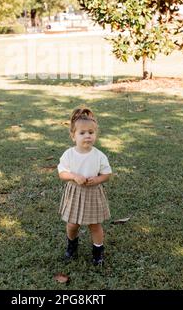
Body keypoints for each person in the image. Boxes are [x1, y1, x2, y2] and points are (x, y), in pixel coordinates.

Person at [57, 107, 113, 266]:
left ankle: (98, 252)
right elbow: (62, 173)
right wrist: (74, 176)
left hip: (93, 193)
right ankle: (72, 246)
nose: (87, 136)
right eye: (82, 133)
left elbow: (107, 174)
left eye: (91, 132)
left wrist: (98, 179)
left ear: (96, 135)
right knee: (72, 224)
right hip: (75, 192)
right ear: (73, 136)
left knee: (94, 225)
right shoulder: (69, 154)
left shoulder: (99, 155)